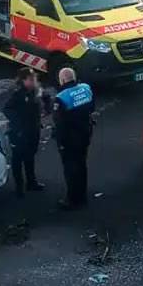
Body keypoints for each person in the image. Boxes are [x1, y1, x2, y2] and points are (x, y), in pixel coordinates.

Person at [53, 67, 95, 210]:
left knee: (70, 169)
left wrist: (60, 144)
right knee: (82, 165)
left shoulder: (61, 98)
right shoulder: (86, 88)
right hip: (85, 134)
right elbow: (92, 108)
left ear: (63, 80)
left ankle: (72, 199)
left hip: (70, 140)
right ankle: (82, 195)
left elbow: (60, 124)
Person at [2, 67, 46, 197]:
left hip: (33, 129)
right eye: (30, 79)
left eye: (34, 79)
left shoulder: (36, 90)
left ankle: (31, 182)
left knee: (30, 156)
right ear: (23, 80)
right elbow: (7, 109)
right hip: (20, 133)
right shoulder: (17, 93)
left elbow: (44, 99)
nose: (33, 81)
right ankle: (19, 187)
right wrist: (19, 125)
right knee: (17, 159)